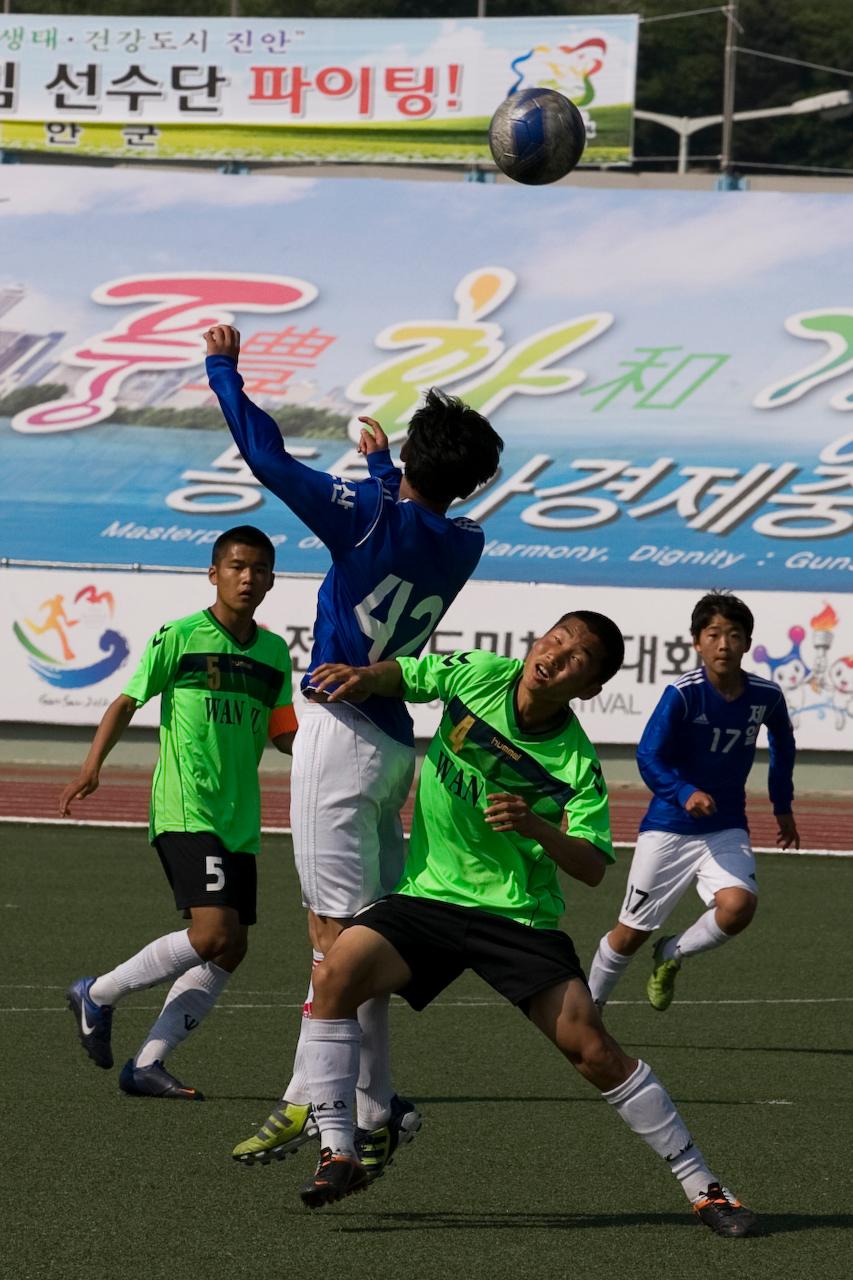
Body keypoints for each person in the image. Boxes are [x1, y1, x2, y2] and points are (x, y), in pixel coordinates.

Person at [293, 611, 757, 1236]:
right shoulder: (480, 675)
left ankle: (705, 1188)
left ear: (588, 688)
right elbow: (409, 673)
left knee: (592, 1050)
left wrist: (537, 825)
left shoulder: (576, 765)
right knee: (336, 975)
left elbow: (592, 865)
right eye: (556, 639)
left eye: (578, 659)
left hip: (517, 917)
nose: (557, 656)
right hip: (429, 898)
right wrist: (364, 677)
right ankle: (340, 1151)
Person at [204, 325, 503, 1174]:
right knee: (355, 929)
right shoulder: (465, 540)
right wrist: (382, 465)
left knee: (338, 937)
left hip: (336, 738)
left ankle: (343, 1122)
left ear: (411, 455)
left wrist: (223, 367)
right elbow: (417, 514)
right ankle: (368, 1102)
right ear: (472, 480)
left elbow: (267, 458)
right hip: (393, 748)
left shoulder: (368, 515)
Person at [62, 526, 296, 1099]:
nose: (248, 577)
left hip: (241, 820)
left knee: (232, 946)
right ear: (213, 573)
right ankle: (99, 992)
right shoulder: (181, 635)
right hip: (188, 807)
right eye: (237, 566)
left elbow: (284, 733)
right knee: (212, 930)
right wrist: (94, 765)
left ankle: (147, 1063)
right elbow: (127, 700)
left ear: (271, 580)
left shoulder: (274, 652)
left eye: (260, 569)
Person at [588, 590, 798, 1013]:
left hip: (725, 826)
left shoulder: (765, 696)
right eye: (714, 634)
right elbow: (648, 754)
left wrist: (782, 805)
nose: (724, 644)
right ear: (696, 642)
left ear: (747, 642)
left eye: (734, 635)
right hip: (669, 828)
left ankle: (672, 954)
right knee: (630, 932)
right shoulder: (683, 694)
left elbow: (784, 742)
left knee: (739, 907)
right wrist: (684, 793)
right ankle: (589, 1008)